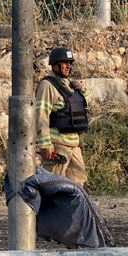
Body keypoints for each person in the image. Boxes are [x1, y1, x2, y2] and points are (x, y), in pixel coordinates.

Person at [35, 47, 89, 186]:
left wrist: (81, 91)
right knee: (53, 186)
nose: (68, 66)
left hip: (74, 146)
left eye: (70, 63)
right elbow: (41, 116)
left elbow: (81, 108)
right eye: (64, 63)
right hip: (58, 146)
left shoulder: (70, 84)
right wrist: (45, 145)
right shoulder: (47, 85)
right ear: (55, 64)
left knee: (78, 186)